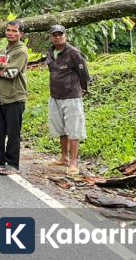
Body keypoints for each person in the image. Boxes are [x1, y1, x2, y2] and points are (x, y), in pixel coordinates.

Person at [46, 24, 90, 177]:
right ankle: (64, 157)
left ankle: (73, 162)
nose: (57, 37)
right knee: (60, 128)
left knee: (73, 129)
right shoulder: (50, 52)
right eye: (55, 35)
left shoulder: (74, 53)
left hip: (71, 95)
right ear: (51, 37)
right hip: (55, 95)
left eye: (60, 34)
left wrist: (83, 90)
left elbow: (84, 73)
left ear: (65, 36)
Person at [0, 20, 29, 176]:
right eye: (8, 30)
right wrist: (0, 66)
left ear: (21, 34)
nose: (10, 33)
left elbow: (11, 73)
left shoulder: (21, 51)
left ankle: (12, 164)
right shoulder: (4, 50)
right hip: (1, 96)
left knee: (13, 133)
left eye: (14, 31)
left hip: (15, 97)